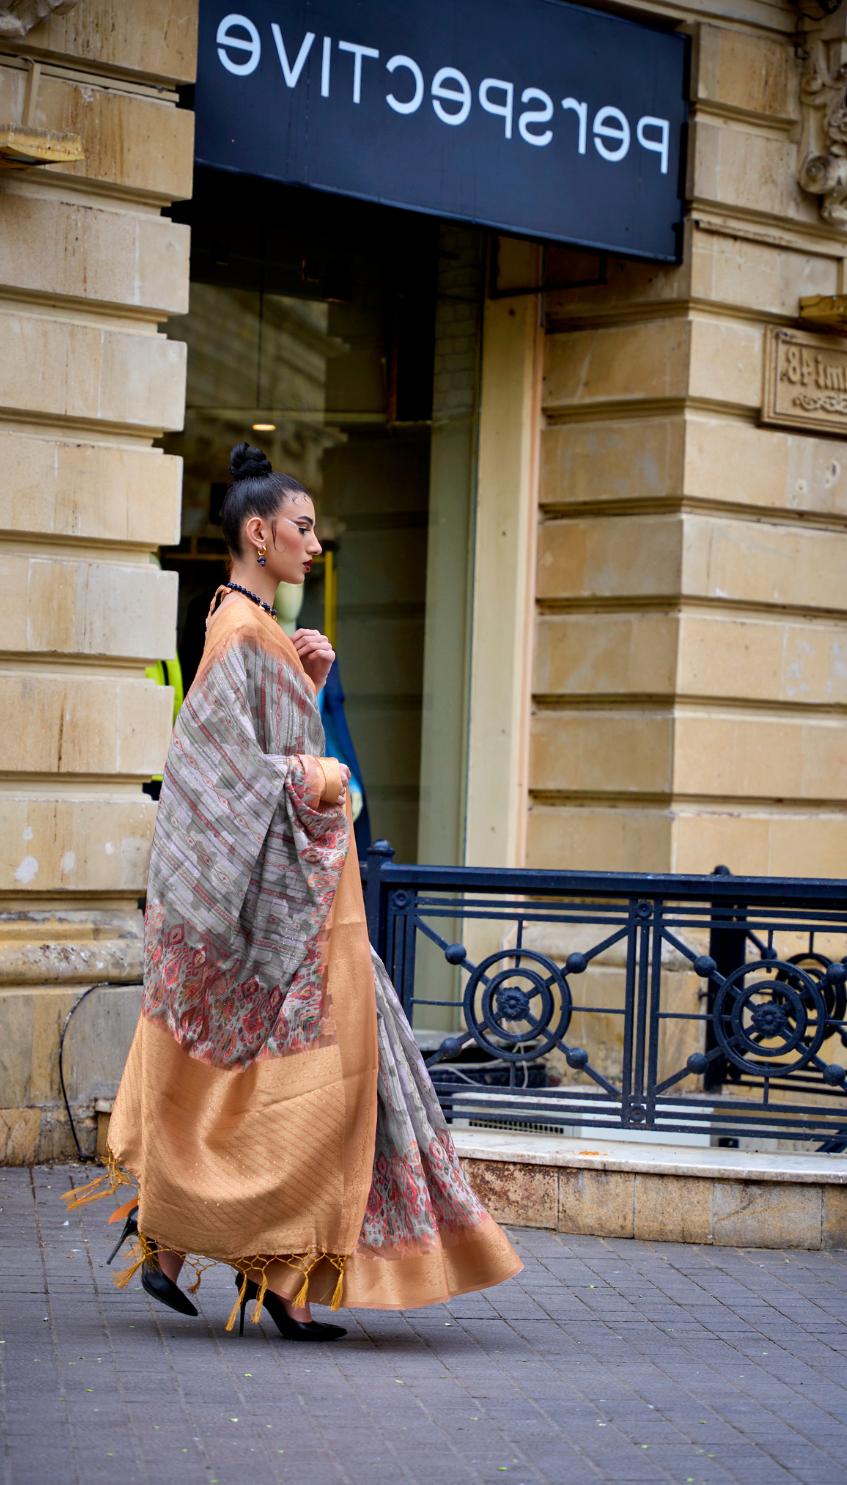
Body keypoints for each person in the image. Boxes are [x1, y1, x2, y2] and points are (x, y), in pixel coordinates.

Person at [67, 442, 520, 1342]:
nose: (316, 543)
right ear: (258, 531)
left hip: (315, 902)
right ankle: (252, 1267)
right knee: (321, 1089)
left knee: (291, 1086)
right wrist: (322, 776)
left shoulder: (257, 627)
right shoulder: (237, 630)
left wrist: (307, 689)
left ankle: (201, 1247)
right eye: (303, 528)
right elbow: (215, 770)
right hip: (304, 913)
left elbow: (260, 747)